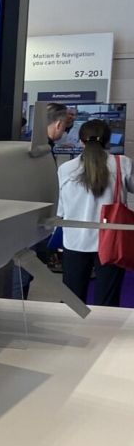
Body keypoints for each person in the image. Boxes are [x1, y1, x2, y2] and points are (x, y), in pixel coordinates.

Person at [57, 119, 133, 307]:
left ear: (81, 141)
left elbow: (61, 209)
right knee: (107, 302)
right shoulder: (122, 164)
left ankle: (73, 327)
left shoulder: (66, 168)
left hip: (74, 240)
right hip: (112, 241)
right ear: (108, 140)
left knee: (72, 302)